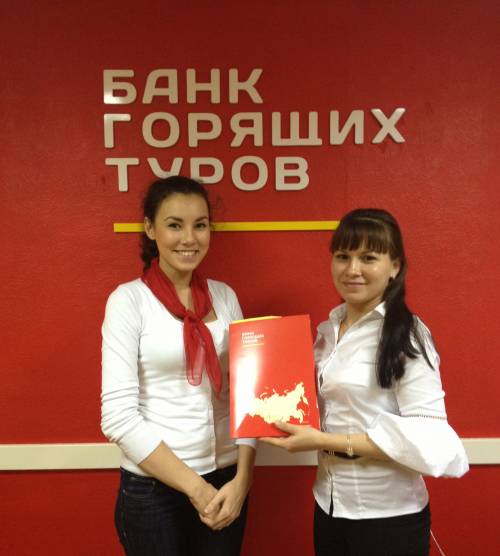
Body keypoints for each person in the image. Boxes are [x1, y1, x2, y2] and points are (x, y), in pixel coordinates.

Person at [262, 208, 468, 556]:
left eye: (368, 258)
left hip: (387, 516)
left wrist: (323, 440)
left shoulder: (407, 335)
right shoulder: (328, 331)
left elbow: (429, 434)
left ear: (394, 267)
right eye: (343, 256)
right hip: (329, 504)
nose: (352, 269)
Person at [101, 176, 255, 556]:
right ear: (150, 228)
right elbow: (118, 417)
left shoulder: (224, 296)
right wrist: (195, 488)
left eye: (200, 225)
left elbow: (248, 393)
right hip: (153, 490)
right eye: (174, 225)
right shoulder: (128, 301)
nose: (189, 238)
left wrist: (243, 479)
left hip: (226, 481)